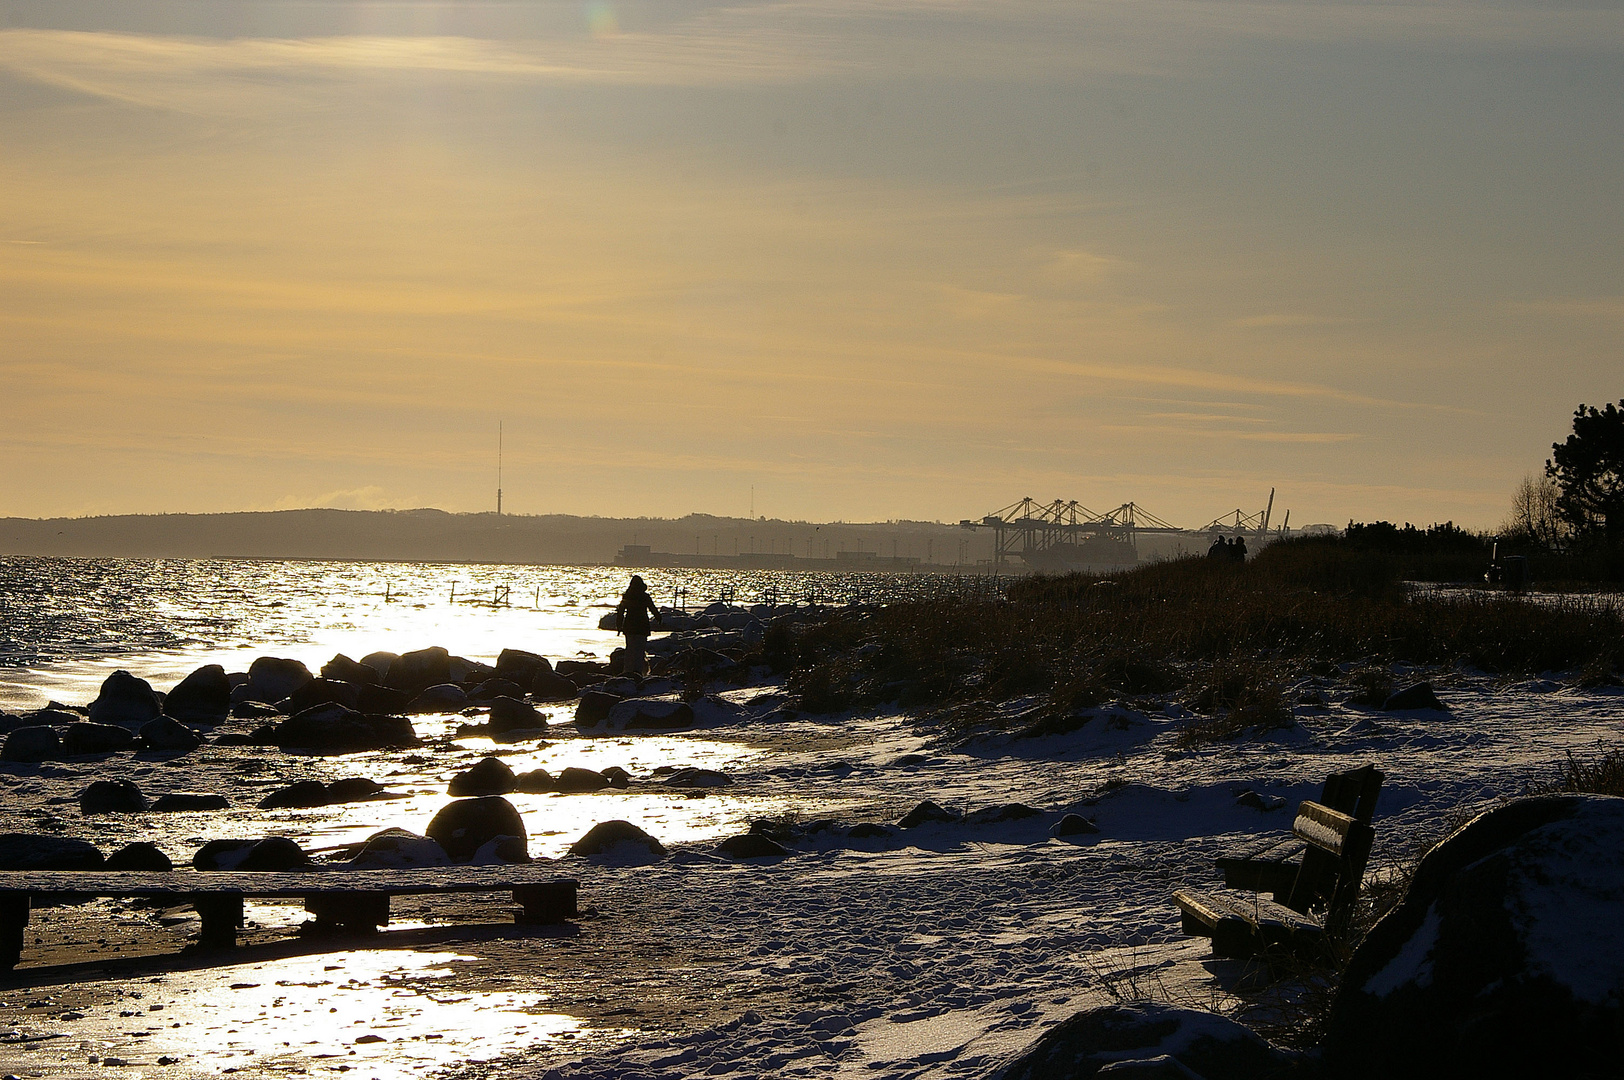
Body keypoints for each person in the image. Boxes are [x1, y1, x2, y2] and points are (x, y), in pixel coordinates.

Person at [614, 575, 663, 678]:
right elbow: (653, 609)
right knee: (639, 650)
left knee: (630, 650)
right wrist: (659, 618)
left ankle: (628, 671)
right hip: (642, 626)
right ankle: (638, 672)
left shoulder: (627, 596)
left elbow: (620, 613)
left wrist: (619, 626)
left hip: (630, 627)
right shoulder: (644, 596)